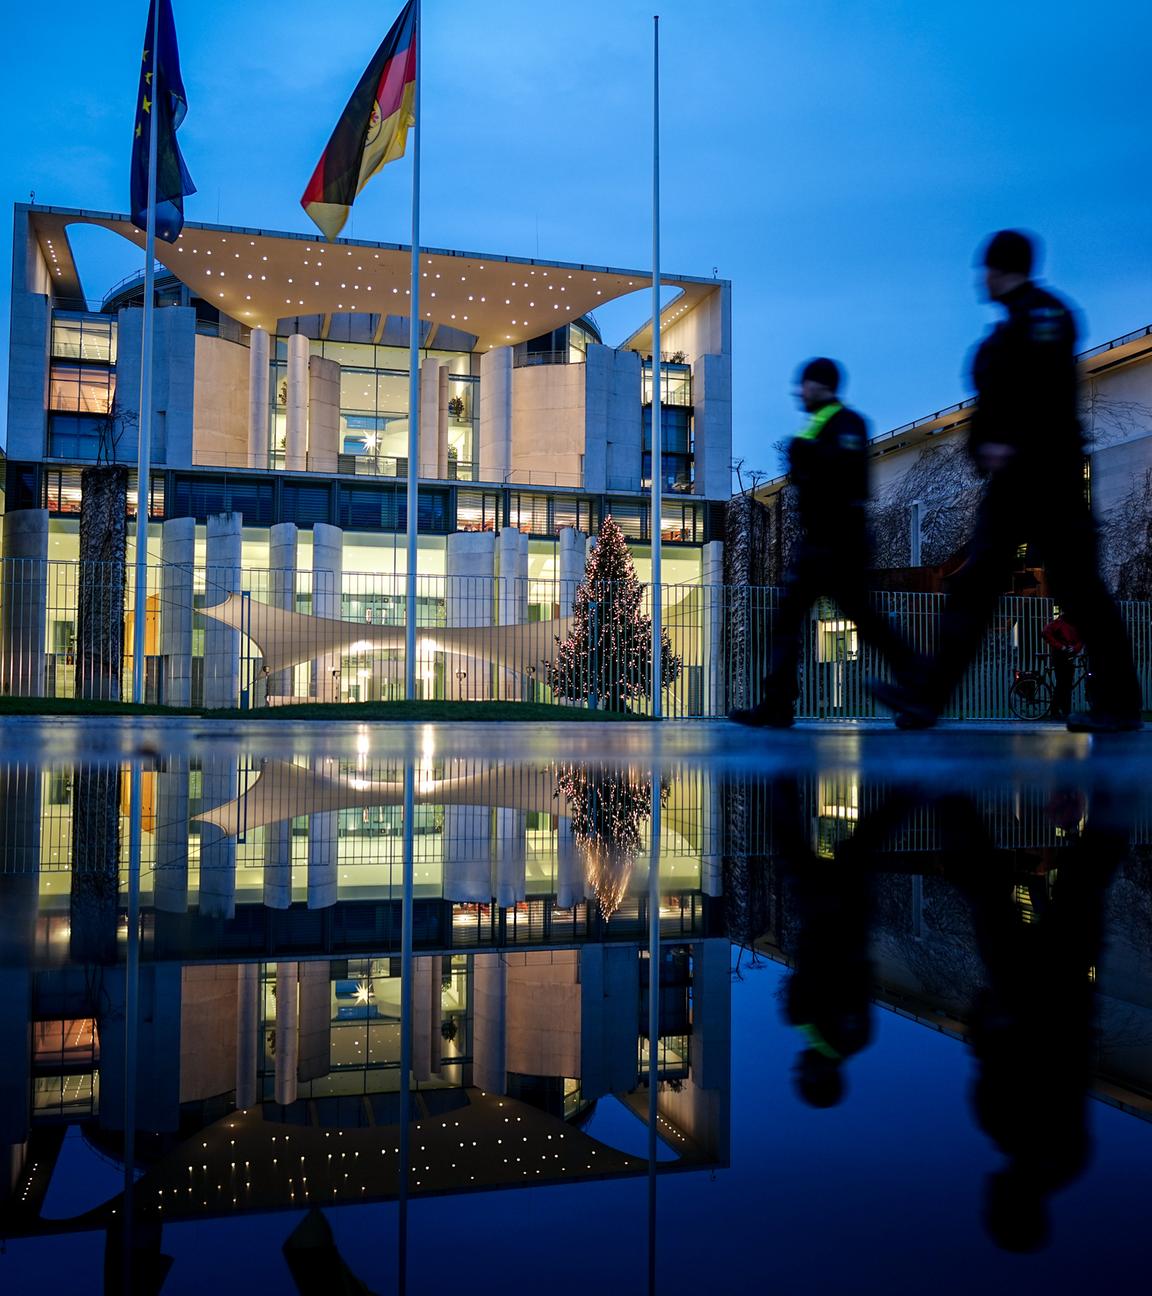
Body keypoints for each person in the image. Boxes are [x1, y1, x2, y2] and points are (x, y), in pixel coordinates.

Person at [874, 231, 1142, 733]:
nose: (982, 280)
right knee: (984, 586)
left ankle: (1119, 704)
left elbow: (1039, 396)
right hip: (1019, 479)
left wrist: (1005, 442)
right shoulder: (1020, 327)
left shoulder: (1042, 320)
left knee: (1074, 589)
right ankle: (927, 699)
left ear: (1004, 270)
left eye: (987, 270)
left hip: (1044, 475)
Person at [730, 358, 921, 727]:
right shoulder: (818, 426)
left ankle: (918, 685)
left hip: (840, 539)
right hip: (818, 540)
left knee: (864, 619)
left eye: (804, 385)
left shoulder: (847, 423)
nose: (799, 392)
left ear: (822, 386)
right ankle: (778, 703)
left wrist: (806, 459)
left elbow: (846, 479)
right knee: (788, 618)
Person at [1041, 610, 1083, 720]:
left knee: (1066, 684)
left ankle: (1064, 711)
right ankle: (1056, 711)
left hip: (1068, 656)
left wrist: (1074, 648)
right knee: (1063, 684)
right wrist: (1060, 646)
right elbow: (1045, 633)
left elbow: (1081, 640)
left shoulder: (1073, 624)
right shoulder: (1059, 623)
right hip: (1060, 656)